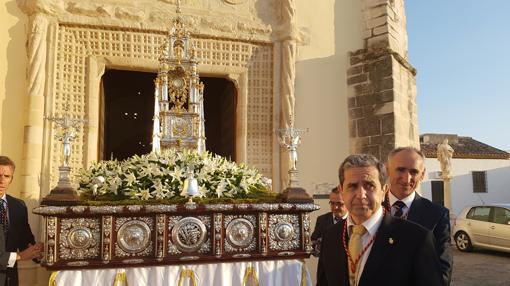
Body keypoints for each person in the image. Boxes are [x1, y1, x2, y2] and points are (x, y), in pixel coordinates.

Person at [317, 154, 441, 286]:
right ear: (342, 191)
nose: (360, 195)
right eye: (352, 186)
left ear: (384, 191)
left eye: (369, 185)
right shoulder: (331, 236)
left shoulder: (417, 239)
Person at [385, 147, 452, 286]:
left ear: (422, 174)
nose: (407, 178)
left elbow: (442, 271)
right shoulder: (371, 210)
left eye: (414, 171)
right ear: (387, 170)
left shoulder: (437, 215)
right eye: (400, 169)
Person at [0, 156, 42, 286]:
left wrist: (37, 251)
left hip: (10, 279)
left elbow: (25, 241)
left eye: (6, 176)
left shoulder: (18, 206)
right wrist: (19, 256)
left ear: (11, 179)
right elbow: (22, 254)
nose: (1, 181)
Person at [311, 187, 348, 282]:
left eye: (339, 204)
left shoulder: (355, 221)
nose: (335, 207)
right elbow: (314, 243)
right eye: (332, 203)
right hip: (326, 274)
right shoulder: (322, 220)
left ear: (348, 202)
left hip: (347, 273)